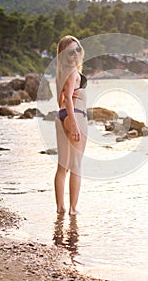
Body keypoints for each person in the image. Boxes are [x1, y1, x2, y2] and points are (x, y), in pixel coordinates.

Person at [55, 35, 88, 215]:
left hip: (62, 116)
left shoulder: (60, 74)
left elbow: (59, 100)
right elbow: (67, 98)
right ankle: (73, 209)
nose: (75, 53)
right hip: (76, 116)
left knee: (63, 166)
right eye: (70, 51)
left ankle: (60, 208)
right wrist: (74, 124)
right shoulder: (73, 73)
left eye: (77, 49)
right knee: (76, 165)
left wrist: (66, 116)